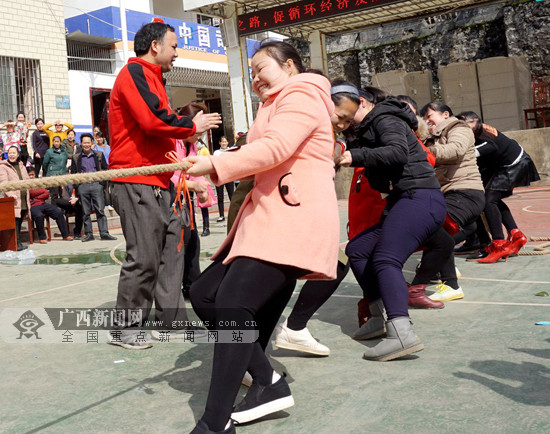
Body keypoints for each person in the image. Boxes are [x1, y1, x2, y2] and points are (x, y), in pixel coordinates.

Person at [186, 40, 339, 433]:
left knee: (234, 304)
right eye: (250, 72)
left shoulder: (303, 92)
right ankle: (267, 381)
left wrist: (215, 163)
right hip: (265, 219)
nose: (254, 79)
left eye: (260, 69)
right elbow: (261, 148)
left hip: (292, 219)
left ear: (289, 66)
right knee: (205, 295)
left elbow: (277, 147)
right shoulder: (274, 102)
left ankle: (215, 424)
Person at [107, 21, 221, 350]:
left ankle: (170, 323)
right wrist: (191, 125)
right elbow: (153, 120)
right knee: (143, 257)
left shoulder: (155, 78)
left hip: (160, 181)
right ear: (155, 46)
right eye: (173, 47)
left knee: (174, 252)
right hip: (136, 179)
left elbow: (160, 123)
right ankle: (125, 328)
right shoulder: (135, 73)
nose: (176, 54)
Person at [337, 86, 446, 362]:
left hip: (420, 197)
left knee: (386, 260)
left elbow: (397, 153)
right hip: (404, 199)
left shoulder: (385, 117)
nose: (345, 120)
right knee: (359, 249)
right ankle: (379, 316)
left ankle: (401, 333)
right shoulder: (368, 128)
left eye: (347, 113)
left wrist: (354, 156)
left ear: (361, 102)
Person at [273, 80, 361, 356]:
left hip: (304, 215)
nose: (343, 124)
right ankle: (245, 354)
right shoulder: (297, 124)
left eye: (349, 121)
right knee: (262, 284)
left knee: (336, 262)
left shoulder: (333, 137)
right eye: (340, 116)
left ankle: (294, 327)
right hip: (276, 213)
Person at [152, 103, 213, 339]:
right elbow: (170, 178)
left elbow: (193, 173)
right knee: (167, 260)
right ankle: (167, 322)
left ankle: (177, 313)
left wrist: (201, 186)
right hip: (166, 202)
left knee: (187, 251)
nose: (201, 130)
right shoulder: (172, 141)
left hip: (182, 204)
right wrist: (194, 185)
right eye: (199, 124)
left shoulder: (191, 144)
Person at [415, 102, 484, 302]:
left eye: (430, 116)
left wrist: (425, 151)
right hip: (448, 193)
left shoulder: (459, 128)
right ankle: (443, 264)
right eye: (424, 118)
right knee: (439, 234)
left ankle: (450, 284)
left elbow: (456, 149)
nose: (427, 121)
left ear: (445, 114)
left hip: (465, 192)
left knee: (439, 232)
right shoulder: (432, 137)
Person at [456, 111, 540, 262]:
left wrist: (469, 152)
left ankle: (499, 244)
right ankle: (515, 235)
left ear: (474, 121)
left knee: (488, 201)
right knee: (491, 199)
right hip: (512, 162)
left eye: (465, 125)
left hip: (513, 164)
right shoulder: (478, 130)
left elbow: (491, 147)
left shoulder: (480, 132)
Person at [70, 133, 116, 242]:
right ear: (81, 143)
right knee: (85, 212)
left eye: (88, 142)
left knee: (100, 210)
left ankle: (104, 233)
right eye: (84, 142)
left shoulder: (99, 155)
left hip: (97, 185)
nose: (86, 144)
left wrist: (101, 184)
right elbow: (73, 174)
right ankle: (89, 234)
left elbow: (105, 170)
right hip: (83, 187)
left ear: (92, 143)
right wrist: (78, 186)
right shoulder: (76, 157)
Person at [27, 168, 73, 243]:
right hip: (33, 205)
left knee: (58, 213)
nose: (31, 177)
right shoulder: (24, 184)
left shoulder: (38, 182)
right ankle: (42, 237)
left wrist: (36, 197)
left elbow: (46, 193)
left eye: (32, 175)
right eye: (29, 175)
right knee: (39, 216)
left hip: (43, 203)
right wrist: (38, 194)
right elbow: (31, 193)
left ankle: (65, 235)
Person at [0, 146, 31, 250]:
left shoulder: (22, 166)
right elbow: (4, 182)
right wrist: (10, 194)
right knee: (15, 223)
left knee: (20, 221)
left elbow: (26, 180)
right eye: (9, 153)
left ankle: (18, 243)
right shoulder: (3, 166)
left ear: (18, 154)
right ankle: (16, 245)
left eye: (13, 153)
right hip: (13, 200)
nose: (11, 155)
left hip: (23, 199)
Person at [213, 136, 235, 222]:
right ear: (219, 143)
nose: (224, 143)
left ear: (228, 142)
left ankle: (234, 213)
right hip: (219, 176)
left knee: (232, 196)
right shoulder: (216, 153)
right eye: (222, 142)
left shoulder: (231, 151)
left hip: (229, 175)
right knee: (220, 196)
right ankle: (221, 215)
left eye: (225, 142)